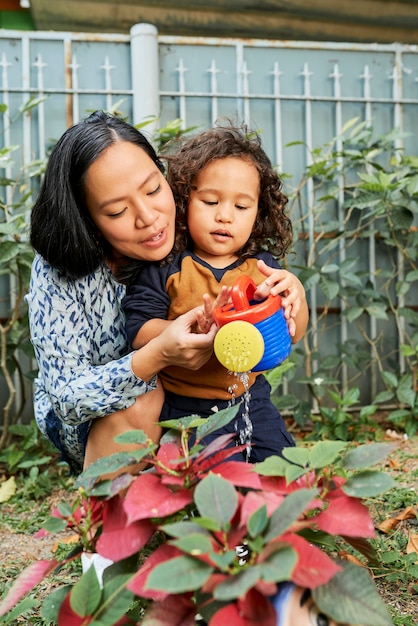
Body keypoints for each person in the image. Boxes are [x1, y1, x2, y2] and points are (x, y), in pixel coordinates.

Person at [26, 110, 222, 475]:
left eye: (152, 190)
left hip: (190, 392)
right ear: (87, 220)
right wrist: (156, 356)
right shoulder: (60, 270)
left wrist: (287, 290)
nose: (148, 217)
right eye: (117, 211)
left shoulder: (192, 222)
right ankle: (100, 514)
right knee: (145, 398)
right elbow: (67, 399)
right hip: (96, 416)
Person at [122, 123, 309, 463]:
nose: (224, 215)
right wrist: (187, 327)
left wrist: (297, 294)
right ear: (184, 200)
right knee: (222, 482)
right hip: (188, 412)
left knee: (286, 474)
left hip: (252, 400)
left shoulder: (262, 268)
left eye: (241, 207)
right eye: (210, 201)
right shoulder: (167, 268)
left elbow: (292, 332)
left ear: (259, 213)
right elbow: (138, 330)